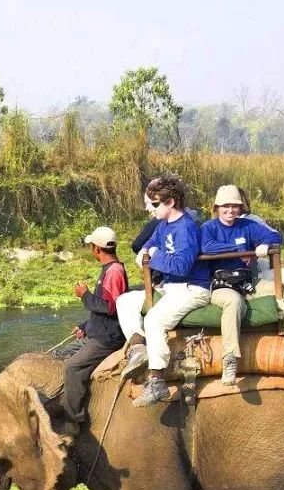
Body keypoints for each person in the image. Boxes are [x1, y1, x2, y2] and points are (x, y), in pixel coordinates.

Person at [200, 185, 284, 385]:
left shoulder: (246, 225)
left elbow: (274, 237)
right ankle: (230, 359)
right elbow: (207, 247)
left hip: (249, 282)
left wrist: (263, 244)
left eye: (235, 206)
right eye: (226, 206)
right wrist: (241, 249)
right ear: (217, 208)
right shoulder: (209, 228)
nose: (230, 211)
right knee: (233, 303)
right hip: (223, 286)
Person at [116, 175, 211, 407]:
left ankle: (157, 380)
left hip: (192, 289)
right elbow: (149, 243)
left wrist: (152, 257)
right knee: (125, 300)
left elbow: (180, 266)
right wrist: (147, 251)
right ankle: (139, 348)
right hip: (170, 288)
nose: (150, 208)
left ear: (171, 202)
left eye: (155, 203)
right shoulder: (163, 225)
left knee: (154, 320)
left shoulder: (186, 228)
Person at [60, 226, 129, 432]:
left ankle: (73, 420)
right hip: (98, 333)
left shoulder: (114, 271)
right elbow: (101, 311)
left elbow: (110, 307)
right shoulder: (108, 270)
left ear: (96, 249)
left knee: (72, 367)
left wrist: (84, 295)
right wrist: (85, 327)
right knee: (63, 353)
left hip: (106, 339)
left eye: (92, 246)